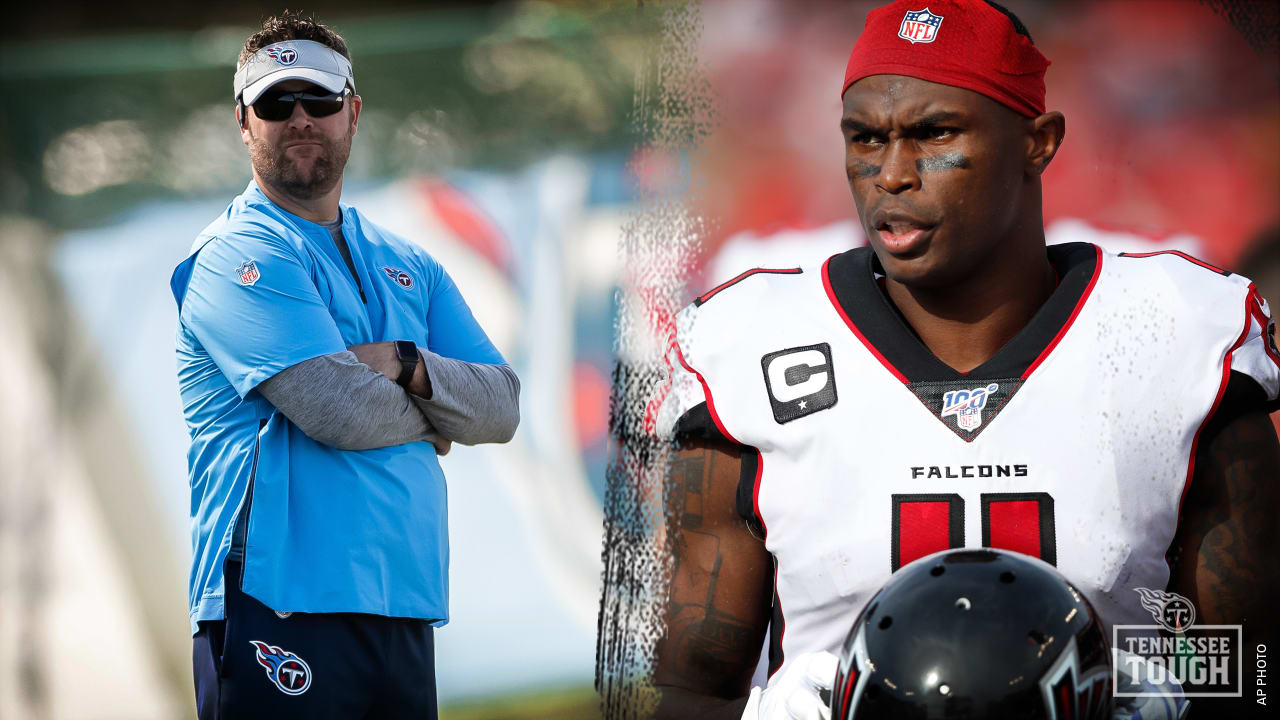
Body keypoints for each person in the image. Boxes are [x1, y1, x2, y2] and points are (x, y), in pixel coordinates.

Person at [652, 1, 1280, 718]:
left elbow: (1247, 667)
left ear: (1037, 143)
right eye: (864, 139)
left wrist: (1177, 697)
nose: (891, 174)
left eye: (933, 134)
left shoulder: (1174, 330)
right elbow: (696, 685)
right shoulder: (750, 344)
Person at [170, 13, 519, 718]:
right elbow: (341, 411)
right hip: (274, 601)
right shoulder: (237, 255)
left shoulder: (410, 261)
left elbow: (502, 407)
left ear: (352, 112)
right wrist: (436, 418)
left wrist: (404, 361)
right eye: (275, 103)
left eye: (319, 101)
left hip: (403, 604)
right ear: (243, 122)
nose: (300, 119)